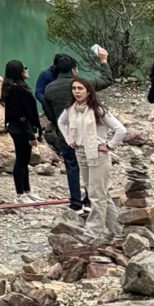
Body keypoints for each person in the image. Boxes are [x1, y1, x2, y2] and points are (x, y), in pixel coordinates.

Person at [58, 75, 127, 241]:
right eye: (74, 89)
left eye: (80, 89)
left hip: (97, 153)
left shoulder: (98, 110)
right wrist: (69, 140)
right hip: (80, 151)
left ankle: (92, 232)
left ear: (88, 91)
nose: (76, 92)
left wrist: (109, 145)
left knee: (96, 195)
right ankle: (117, 230)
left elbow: (121, 130)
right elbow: (61, 123)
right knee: (97, 192)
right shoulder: (71, 109)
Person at [36, 52, 101, 210]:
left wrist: (59, 126)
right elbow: (106, 80)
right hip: (86, 133)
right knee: (89, 166)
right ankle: (89, 200)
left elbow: (50, 112)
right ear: (73, 70)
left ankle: (75, 203)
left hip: (64, 133)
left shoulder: (49, 89)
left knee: (72, 166)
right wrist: (104, 62)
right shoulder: (82, 85)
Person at [0, 59, 41, 201]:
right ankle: (20, 194)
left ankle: (27, 191)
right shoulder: (19, 90)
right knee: (22, 160)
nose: (27, 70)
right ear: (19, 71)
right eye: (25, 68)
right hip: (21, 129)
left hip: (16, 128)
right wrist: (31, 136)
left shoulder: (11, 87)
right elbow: (23, 116)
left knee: (24, 159)